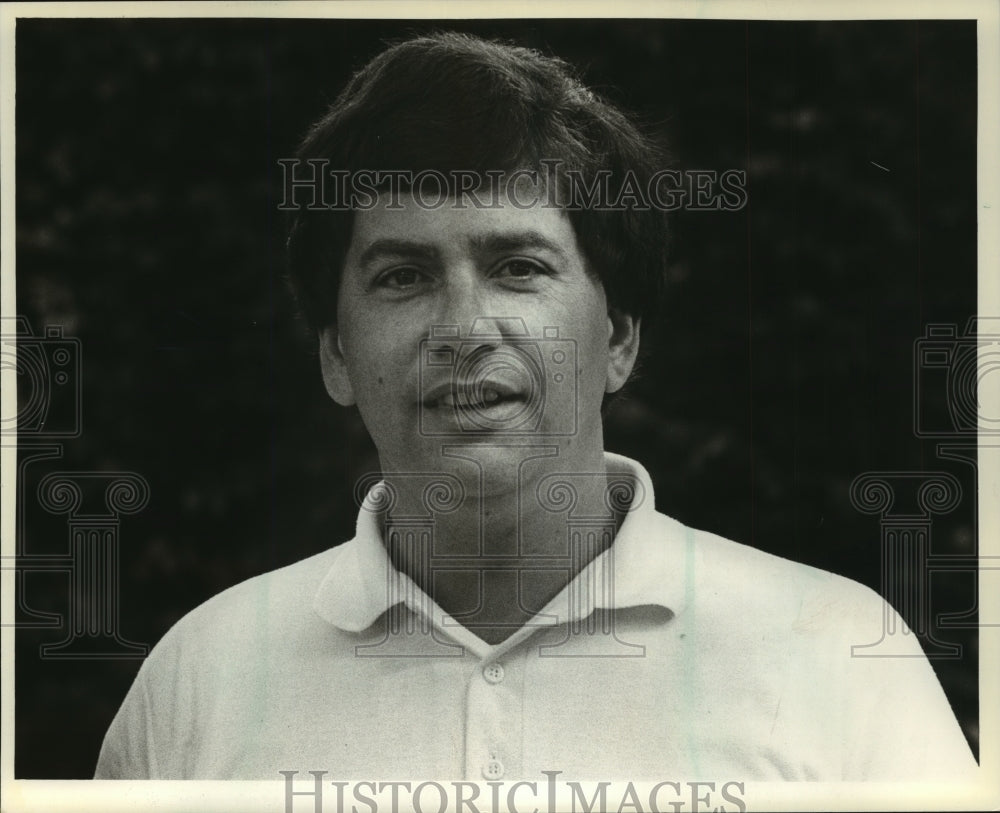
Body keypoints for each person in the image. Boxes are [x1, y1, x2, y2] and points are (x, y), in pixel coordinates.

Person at [95, 31, 976, 782]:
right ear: (336, 353)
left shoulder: (840, 654)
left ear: (619, 336)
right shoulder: (201, 680)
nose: (463, 329)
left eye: (519, 266)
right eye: (403, 276)